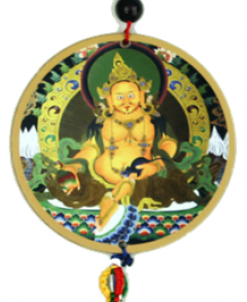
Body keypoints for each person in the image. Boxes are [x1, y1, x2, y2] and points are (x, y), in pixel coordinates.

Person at [47, 53, 198, 231]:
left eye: (131, 95)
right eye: (119, 97)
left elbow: (168, 144)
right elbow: (90, 149)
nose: (126, 101)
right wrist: (73, 166)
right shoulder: (101, 123)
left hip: (143, 178)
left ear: (141, 96)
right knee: (70, 187)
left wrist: (156, 165)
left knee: (165, 186)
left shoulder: (154, 121)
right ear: (109, 100)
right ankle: (111, 200)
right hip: (100, 182)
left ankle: (113, 201)